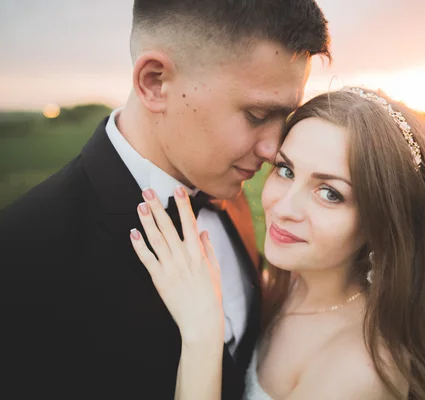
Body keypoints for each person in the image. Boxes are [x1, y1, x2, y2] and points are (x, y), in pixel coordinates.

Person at [0, 1, 330, 399]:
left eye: (286, 118)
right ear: (154, 82)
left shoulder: (230, 191)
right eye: (257, 115)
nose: (274, 150)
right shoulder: (20, 254)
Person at [131, 87, 425, 399]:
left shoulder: (360, 371)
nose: (283, 208)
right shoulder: (284, 285)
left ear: (383, 222)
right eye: (285, 170)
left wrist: (201, 335)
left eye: (330, 193)